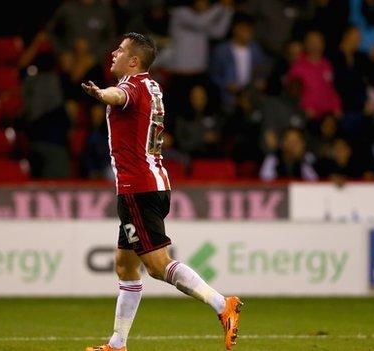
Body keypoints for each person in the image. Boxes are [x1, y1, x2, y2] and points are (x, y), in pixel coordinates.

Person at [81, 32, 243, 351]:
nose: (113, 52)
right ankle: (117, 344)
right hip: (149, 183)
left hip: (138, 188)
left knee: (157, 265)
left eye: (121, 49)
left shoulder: (131, 86)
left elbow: (118, 96)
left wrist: (101, 94)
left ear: (134, 61)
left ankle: (223, 305)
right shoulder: (152, 86)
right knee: (126, 266)